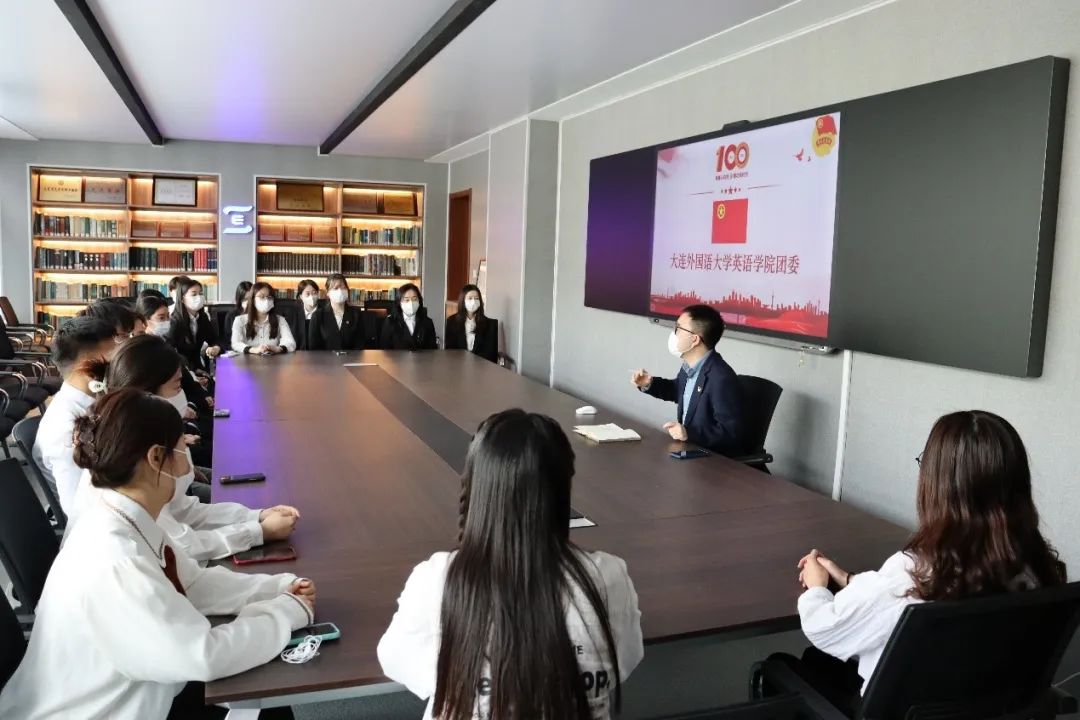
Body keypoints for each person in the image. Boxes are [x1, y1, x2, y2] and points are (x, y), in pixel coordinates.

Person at [0, 388, 315, 719]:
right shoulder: (117, 559)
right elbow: (201, 656)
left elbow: (192, 584)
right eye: (180, 448)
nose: (185, 463)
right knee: (264, 703)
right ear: (155, 458)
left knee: (264, 698)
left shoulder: (122, 515)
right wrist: (284, 613)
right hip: (100, 711)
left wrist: (278, 587)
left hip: (139, 688)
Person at [763, 411, 1068, 715]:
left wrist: (817, 588)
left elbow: (827, 629)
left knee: (783, 664)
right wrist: (849, 580)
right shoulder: (1034, 570)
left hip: (891, 711)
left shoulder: (915, 573)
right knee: (819, 663)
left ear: (939, 485)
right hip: (980, 707)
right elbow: (888, 603)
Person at [378, 409, 643, 719]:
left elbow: (397, 661)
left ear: (476, 487)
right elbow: (625, 660)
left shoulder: (437, 580)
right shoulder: (608, 577)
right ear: (562, 491)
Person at [71, 336, 299, 563]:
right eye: (178, 385)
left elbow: (184, 511)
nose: (183, 395)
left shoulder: (140, 433)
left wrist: (256, 516)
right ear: (148, 391)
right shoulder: (133, 457)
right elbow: (180, 544)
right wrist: (259, 532)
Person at [33, 315, 123, 513]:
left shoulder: (97, 400)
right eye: (112, 359)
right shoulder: (65, 430)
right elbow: (80, 511)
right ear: (87, 367)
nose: (119, 366)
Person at [630, 304, 744, 456]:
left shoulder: (721, 378)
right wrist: (649, 384)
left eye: (678, 328)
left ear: (695, 339)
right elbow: (678, 391)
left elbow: (730, 433)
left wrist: (689, 433)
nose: (674, 333)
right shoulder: (690, 366)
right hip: (689, 450)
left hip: (710, 460)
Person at [138, 294, 214, 415]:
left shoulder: (165, 342)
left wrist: (201, 395)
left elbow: (184, 375)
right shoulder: (143, 351)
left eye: (168, 317)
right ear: (145, 321)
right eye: (161, 318)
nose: (166, 321)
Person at [169, 276, 221, 373]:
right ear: (182, 299)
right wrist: (193, 370)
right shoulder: (175, 321)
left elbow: (214, 339)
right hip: (181, 368)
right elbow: (170, 351)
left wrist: (216, 347)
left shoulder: (203, 317)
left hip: (198, 365)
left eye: (200, 293)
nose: (199, 297)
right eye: (194, 294)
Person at [231, 282, 296, 354]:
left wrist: (278, 348)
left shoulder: (280, 320)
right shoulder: (240, 320)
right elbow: (236, 344)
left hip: (273, 360)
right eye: (262, 297)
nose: (266, 300)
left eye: (269, 297)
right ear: (252, 299)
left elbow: (291, 343)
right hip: (247, 360)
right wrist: (254, 350)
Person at [444, 284, 498, 364]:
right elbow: (450, 351)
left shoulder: (490, 325)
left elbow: (491, 354)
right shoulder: (452, 322)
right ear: (463, 300)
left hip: (482, 367)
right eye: (470, 298)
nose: (473, 301)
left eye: (476, 298)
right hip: (458, 366)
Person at [308, 274, 363, 351]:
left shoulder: (356, 314)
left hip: (351, 358)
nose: (340, 291)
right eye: (336, 288)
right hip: (324, 358)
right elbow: (313, 347)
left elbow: (360, 345)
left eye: (343, 287)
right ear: (328, 293)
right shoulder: (318, 315)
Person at [380, 283, 437, 351]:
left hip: (422, 358)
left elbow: (433, 351)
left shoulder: (427, 322)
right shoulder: (390, 322)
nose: (411, 303)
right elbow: (384, 350)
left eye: (414, 299)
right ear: (400, 302)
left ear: (419, 301)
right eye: (406, 300)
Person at [296, 279, 320, 351]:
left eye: (314, 293)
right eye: (307, 293)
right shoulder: (294, 314)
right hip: (300, 354)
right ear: (301, 296)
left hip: (321, 353)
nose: (311, 296)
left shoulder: (325, 312)